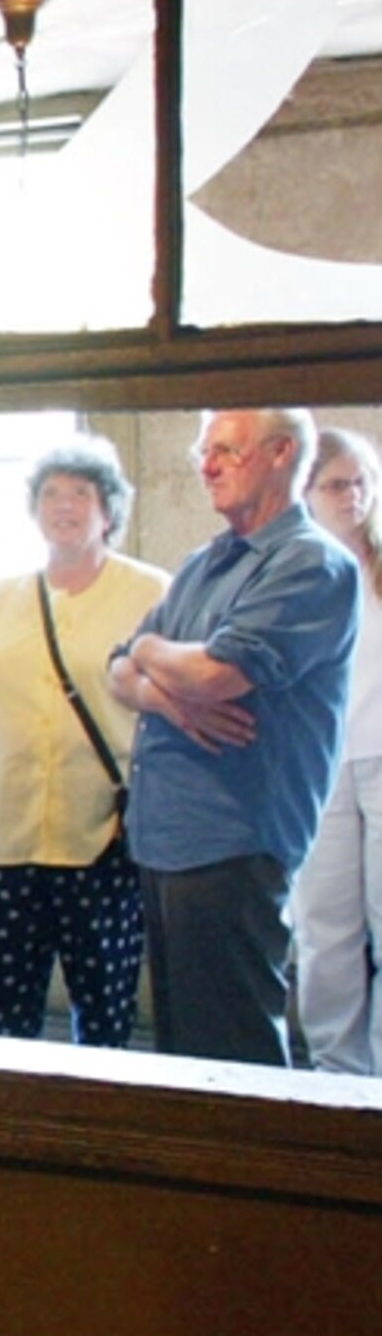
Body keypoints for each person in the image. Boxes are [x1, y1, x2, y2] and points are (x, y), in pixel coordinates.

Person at [109, 408, 362, 1067]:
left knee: (232, 1062)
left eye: (225, 450)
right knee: (183, 1059)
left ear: (281, 453)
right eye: (202, 451)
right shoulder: (204, 563)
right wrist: (165, 686)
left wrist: (151, 649)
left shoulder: (312, 563)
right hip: (167, 838)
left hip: (232, 841)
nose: (207, 465)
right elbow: (116, 670)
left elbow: (217, 675)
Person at [0, 439, 167, 1046]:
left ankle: (95, 1135)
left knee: (105, 1006)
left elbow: (172, 713)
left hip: (103, 839)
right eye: (51, 495)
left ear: (108, 512)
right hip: (5, 837)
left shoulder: (153, 594)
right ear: (34, 511)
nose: (65, 506)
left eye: (81, 494)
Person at [290, 426, 382, 1073]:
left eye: (361, 483)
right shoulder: (294, 571)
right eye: (336, 484)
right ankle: (338, 1072)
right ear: (307, 492)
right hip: (318, 765)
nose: (351, 496)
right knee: (326, 928)